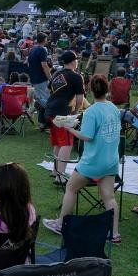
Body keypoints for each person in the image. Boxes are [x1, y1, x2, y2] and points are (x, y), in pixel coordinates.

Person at [45, 75, 122, 243]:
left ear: (90, 90)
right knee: (109, 197)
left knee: (71, 188)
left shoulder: (92, 111)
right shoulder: (114, 109)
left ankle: (60, 224)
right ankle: (114, 234)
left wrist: (67, 127)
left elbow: (86, 137)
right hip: (111, 161)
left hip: (93, 161)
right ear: (107, 89)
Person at [45, 51, 85, 181]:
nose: (77, 62)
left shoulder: (56, 73)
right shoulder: (77, 76)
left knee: (58, 143)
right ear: (73, 61)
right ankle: (60, 176)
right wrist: (76, 111)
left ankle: (55, 171)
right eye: (76, 60)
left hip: (50, 109)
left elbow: (48, 89)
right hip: (62, 111)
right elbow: (80, 99)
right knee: (67, 143)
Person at [27, 33, 52, 107]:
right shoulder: (42, 50)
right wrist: (50, 78)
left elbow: (29, 63)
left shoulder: (32, 49)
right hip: (41, 78)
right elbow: (44, 65)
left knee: (39, 98)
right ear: (44, 40)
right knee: (46, 99)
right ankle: (48, 114)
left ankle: (33, 111)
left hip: (33, 77)